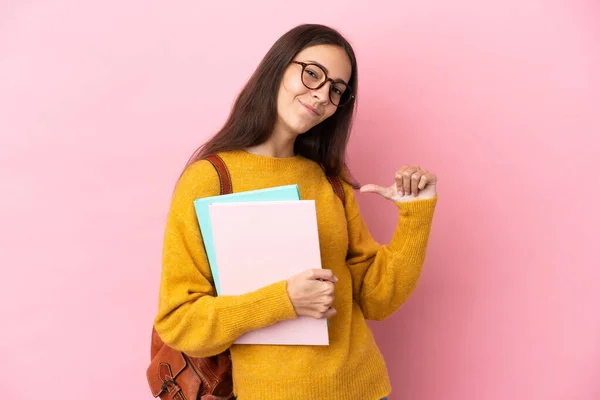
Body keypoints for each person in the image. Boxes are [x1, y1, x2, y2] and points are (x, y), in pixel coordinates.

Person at [153, 23, 438, 400]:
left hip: (365, 389)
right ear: (277, 68)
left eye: (336, 89)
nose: (322, 95)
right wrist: (283, 301)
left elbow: (376, 300)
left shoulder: (329, 181)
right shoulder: (210, 179)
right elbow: (179, 323)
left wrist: (415, 216)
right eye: (312, 74)